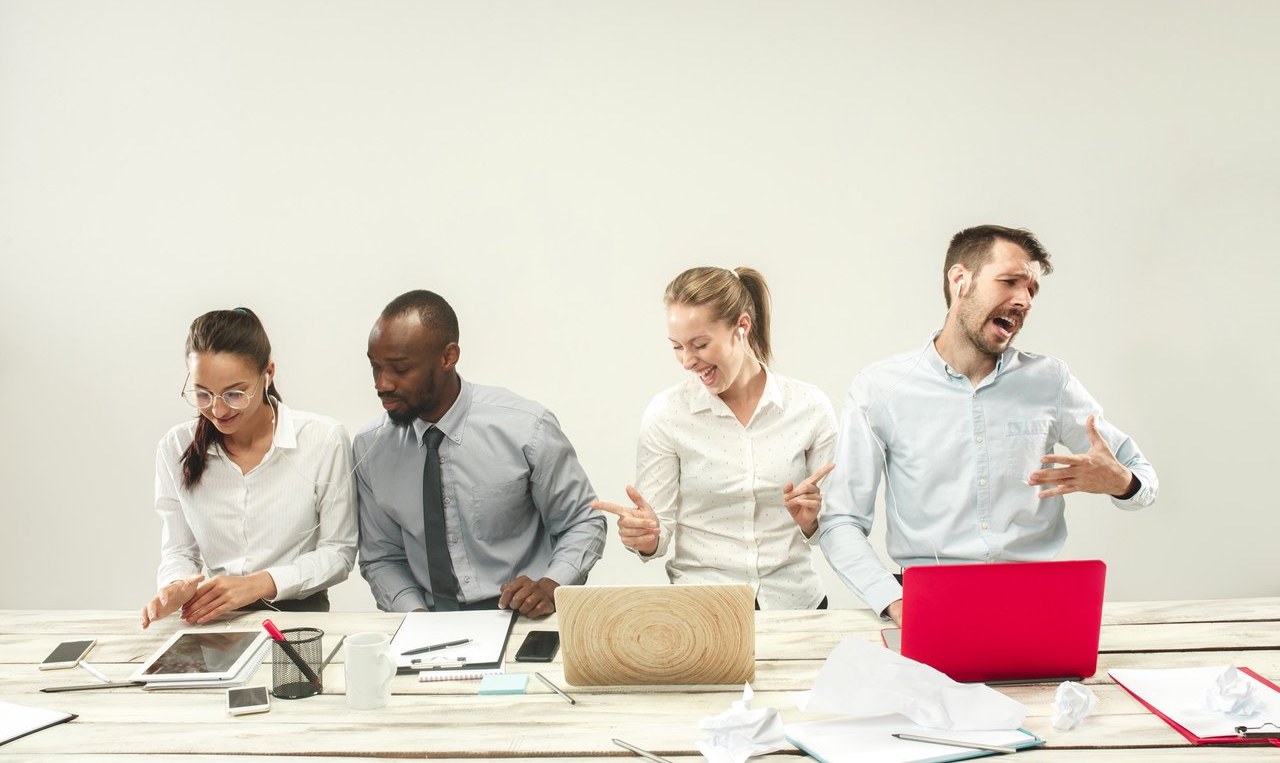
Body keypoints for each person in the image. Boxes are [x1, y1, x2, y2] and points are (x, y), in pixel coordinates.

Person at [819, 226, 1158, 625]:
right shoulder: (881, 388)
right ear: (960, 280)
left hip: (1037, 600)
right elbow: (841, 520)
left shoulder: (1050, 381)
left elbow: (1142, 477)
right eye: (1010, 281)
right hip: (929, 599)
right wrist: (892, 600)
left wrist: (1121, 483)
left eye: (1032, 290)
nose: (1024, 300)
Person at [592, 267, 837, 609]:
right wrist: (645, 537)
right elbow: (657, 532)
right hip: (704, 610)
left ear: (743, 327)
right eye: (677, 347)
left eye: (700, 344)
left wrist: (812, 522)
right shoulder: (667, 414)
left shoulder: (809, 407)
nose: (688, 361)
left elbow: (838, 526)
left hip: (796, 603)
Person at [355, 290, 606, 618]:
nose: (383, 384)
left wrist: (551, 585)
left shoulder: (525, 428)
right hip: (425, 622)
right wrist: (414, 617)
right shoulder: (371, 448)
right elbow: (382, 557)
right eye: (376, 368)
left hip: (522, 618)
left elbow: (582, 521)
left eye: (400, 369)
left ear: (448, 357)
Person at [141, 307, 357, 628]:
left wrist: (260, 584)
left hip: (297, 617)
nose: (217, 409)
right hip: (213, 616)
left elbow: (339, 552)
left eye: (234, 393)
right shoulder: (176, 447)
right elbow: (179, 551)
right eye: (202, 394)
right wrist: (175, 586)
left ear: (267, 374)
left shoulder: (323, 440)